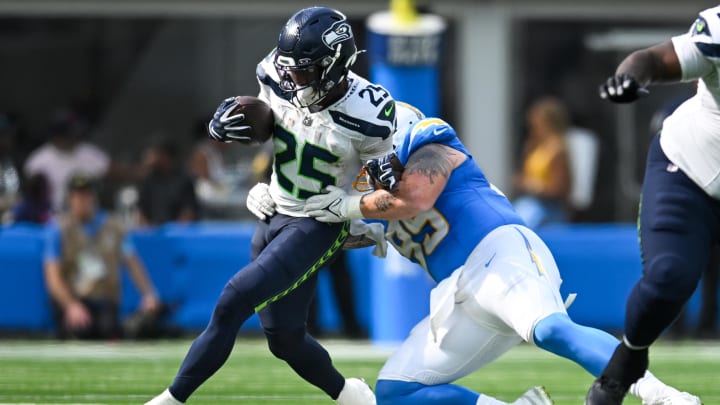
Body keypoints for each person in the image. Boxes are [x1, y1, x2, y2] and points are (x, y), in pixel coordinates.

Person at [247, 104, 700, 404]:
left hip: (499, 254)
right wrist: (274, 204)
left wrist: (339, 207)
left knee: (551, 329)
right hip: (457, 295)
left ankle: (661, 395)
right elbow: (319, 229)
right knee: (396, 392)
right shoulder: (359, 185)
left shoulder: (424, 136)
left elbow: (416, 199)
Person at [145, 6, 396, 405]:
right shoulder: (275, 74)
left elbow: (391, 193)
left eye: (304, 71)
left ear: (334, 64)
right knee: (285, 338)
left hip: (317, 223)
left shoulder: (370, 112)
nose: (293, 80)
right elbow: (275, 130)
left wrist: (347, 208)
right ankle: (352, 396)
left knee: (233, 299)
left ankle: (170, 400)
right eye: (290, 69)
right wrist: (260, 181)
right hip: (273, 211)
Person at [586, 6, 720, 403]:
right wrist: (629, 78)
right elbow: (654, 59)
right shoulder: (717, 31)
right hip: (689, 169)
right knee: (669, 277)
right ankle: (626, 363)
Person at [43, 173, 161, 339]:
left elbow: (132, 261)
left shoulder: (113, 226)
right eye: (77, 196)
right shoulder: (58, 230)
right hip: (76, 298)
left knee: (111, 331)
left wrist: (149, 294)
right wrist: (70, 305)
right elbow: (53, 276)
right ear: (70, 199)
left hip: (105, 300)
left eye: (86, 196)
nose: (82, 201)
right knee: (81, 331)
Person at [24, 109, 111, 212]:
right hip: (51, 217)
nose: (74, 137)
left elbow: (111, 170)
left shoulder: (88, 152)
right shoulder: (37, 161)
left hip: (88, 217)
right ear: (56, 136)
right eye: (69, 135)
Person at [512, 96, 572, 228]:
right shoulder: (533, 147)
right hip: (529, 201)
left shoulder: (558, 150)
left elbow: (560, 190)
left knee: (524, 218)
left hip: (548, 208)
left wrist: (535, 187)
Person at [137, 137, 199, 226]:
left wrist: (173, 233)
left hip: (175, 234)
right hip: (153, 233)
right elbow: (141, 211)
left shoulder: (184, 180)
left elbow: (188, 213)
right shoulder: (149, 180)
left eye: (152, 154)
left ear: (164, 155)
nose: (148, 158)